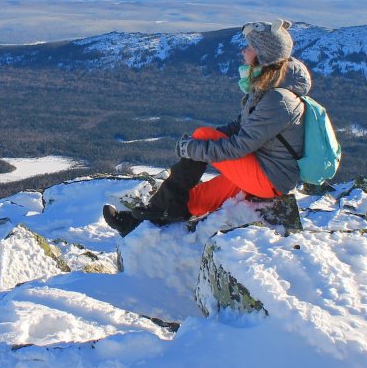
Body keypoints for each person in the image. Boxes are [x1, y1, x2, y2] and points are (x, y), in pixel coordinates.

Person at [103, 19, 311, 236]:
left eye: (249, 47)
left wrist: (193, 148)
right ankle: (134, 225)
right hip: (263, 169)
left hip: (270, 178)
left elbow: (239, 146)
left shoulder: (277, 99)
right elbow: (240, 127)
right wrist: (204, 143)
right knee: (196, 199)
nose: (244, 51)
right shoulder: (269, 90)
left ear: (263, 55)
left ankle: (157, 209)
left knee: (202, 136)